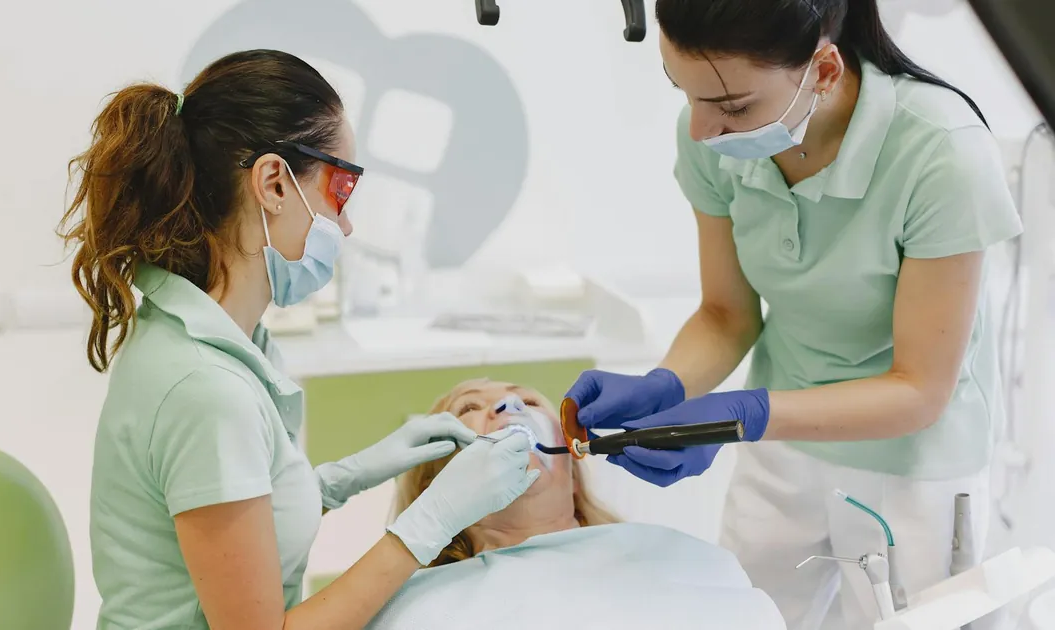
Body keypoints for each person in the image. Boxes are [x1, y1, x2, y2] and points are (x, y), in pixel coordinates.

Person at [565, 0, 1022, 628]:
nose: (701, 131)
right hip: (782, 446)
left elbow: (919, 390)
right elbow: (726, 314)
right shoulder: (711, 136)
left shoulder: (941, 151)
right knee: (747, 615)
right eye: (684, 92)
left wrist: (744, 414)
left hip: (914, 462)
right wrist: (663, 386)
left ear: (826, 71)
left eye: (733, 107)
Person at [58, 50, 539, 630]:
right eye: (342, 189)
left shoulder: (213, 342)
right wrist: (430, 521)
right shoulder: (204, 388)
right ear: (273, 184)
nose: (348, 225)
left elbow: (239, 522)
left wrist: (344, 478)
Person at [368, 379, 787, 629]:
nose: (507, 407)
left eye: (529, 402)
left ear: (573, 462)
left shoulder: (679, 557)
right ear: (434, 480)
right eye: (470, 408)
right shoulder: (417, 605)